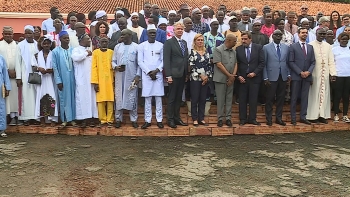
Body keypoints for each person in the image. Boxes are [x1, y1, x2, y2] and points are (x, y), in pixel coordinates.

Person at [306, 28, 336, 124]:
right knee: (314, 94)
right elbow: (308, 61)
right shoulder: (310, 45)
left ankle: (322, 115)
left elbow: (331, 60)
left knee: (324, 94)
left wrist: (332, 73)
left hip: (325, 74)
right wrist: (309, 75)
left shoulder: (328, 46)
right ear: (316, 34)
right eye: (320, 33)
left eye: (324, 34)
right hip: (314, 73)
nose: (322, 35)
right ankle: (313, 116)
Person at [112, 29, 141, 128]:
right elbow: (113, 61)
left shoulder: (136, 47)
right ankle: (118, 119)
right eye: (121, 35)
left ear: (130, 36)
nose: (122, 37)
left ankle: (134, 119)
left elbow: (139, 63)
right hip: (120, 76)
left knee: (132, 96)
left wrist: (138, 76)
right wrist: (116, 67)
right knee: (119, 96)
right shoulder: (117, 47)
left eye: (124, 35)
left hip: (131, 76)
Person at [138, 25, 165, 129]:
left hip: (158, 74)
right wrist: (149, 72)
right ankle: (147, 120)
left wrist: (157, 71)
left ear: (157, 34)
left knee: (158, 98)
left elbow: (163, 60)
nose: (152, 34)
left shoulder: (161, 45)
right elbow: (140, 61)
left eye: (154, 33)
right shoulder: (141, 46)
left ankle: (159, 120)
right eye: (151, 33)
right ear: (147, 34)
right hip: (147, 75)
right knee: (148, 98)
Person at [163, 22, 189, 128]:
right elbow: (166, 60)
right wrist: (168, 75)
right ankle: (170, 119)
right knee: (172, 98)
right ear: (173, 30)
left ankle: (177, 118)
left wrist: (186, 73)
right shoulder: (169, 43)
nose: (180, 31)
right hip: (173, 74)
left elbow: (185, 58)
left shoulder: (184, 43)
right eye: (178, 29)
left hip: (182, 74)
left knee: (179, 98)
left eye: (181, 29)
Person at [236, 31, 265, 126]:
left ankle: (252, 118)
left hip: (254, 78)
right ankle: (242, 119)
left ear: (250, 39)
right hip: (242, 78)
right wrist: (239, 75)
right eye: (242, 39)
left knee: (253, 100)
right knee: (242, 100)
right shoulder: (238, 49)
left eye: (245, 39)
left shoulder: (258, 48)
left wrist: (255, 73)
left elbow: (262, 63)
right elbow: (236, 64)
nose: (243, 41)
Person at [288, 27, 316, 125]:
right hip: (296, 76)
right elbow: (291, 62)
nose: (304, 34)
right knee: (294, 97)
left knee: (305, 97)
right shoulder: (293, 46)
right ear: (298, 34)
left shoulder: (310, 47)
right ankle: (293, 118)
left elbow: (313, 62)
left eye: (306, 33)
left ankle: (303, 117)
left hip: (307, 76)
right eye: (302, 33)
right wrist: (300, 72)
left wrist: (308, 72)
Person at [263, 30, 290, 126]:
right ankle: (269, 118)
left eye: (280, 35)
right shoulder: (266, 47)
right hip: (271, 76)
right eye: (276, 35)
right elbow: (264, 64)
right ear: (272, 36)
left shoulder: (286, 48)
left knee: (281, 98)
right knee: (270, 98)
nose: (278, 36)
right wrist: (265, 77)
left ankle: (279, 118)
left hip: (282, 76)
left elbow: (287, 62)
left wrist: (288, 74)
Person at [71, 34, 98, 127]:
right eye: (87, 39)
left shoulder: (91, 50)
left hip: (90, 78)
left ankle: (92, 118)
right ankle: (83, 119)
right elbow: (76, 58)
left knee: (91, 98)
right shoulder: (76, 50)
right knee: (82, 98)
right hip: (81, 79)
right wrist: (86, 54)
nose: (89, 41)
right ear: (81, 41)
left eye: (90, 39)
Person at [31, 35, 58, 126]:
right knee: (41, 98)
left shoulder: (54, 54)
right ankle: (42, 119)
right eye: (44, 43)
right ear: (41, 44)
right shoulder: (36, 55)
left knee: (51, 97)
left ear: (51, 44)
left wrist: (52, 70)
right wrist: (39, 69)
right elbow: (33, 67)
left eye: (48, 43)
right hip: (41, 80)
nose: (46, 45)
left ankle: (52, 119)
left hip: (51, 80)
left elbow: (57, 66)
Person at [52, 31, 77, 127]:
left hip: (73, 78)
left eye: (68, 38)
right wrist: (58, 80)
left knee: (73, 98)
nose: (67, 40)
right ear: (60, 39)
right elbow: (55, 67)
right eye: (65, 38)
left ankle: (73, 119)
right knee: (64, 99)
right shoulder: (55, 52)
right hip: (62, 79)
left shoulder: (73, 50)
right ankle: (65, 119)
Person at [212, 34, 237, 127]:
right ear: (229, 40)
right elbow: (219, 65)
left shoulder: (234, 52)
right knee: (221, 100)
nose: (235, 43)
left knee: (229, 99)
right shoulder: (218, 50)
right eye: (234, 41)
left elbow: (235, 64)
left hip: (231, 79)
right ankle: (220, 118)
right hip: (220, 79)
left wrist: (232, 76)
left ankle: (228, 118)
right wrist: (229, 75)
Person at [16, 25, 39, 125]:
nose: (28, 35)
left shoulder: (38, 44)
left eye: (30, 33)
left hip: (35, 74)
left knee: (35, 95)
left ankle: (36, 117)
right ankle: (26, 117)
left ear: (33, 34)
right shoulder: (20, 45)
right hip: (24, 74)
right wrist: (18, 77)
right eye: (26, 33)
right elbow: (18, 62)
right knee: (26, 95)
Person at [188, 34, 212, 126]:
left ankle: (201, 118)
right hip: (195, 79)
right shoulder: (192, 52)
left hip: (205, 79)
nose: (200, 41)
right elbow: (192, 66)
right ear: (195, 41)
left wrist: (206, 77)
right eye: (198, 40)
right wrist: (200, 75)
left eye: (202, 40)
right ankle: (194, 118)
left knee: (203, 99)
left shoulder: (206, 52)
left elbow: (209, 65)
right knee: (195, 99)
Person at [91, 36, 114, 127]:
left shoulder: (111, 52)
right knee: (100, 100)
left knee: (110, 100)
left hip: (110, 80)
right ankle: (102, 120)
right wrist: (95, 82)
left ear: (108, 43)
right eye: (102, 41)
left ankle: (110, 120)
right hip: (100, 80)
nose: (104, 43)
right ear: (99, 43)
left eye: (106, 41)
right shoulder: (95, 53)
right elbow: (94, 67)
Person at [0, 26, 20, 126]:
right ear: (2, 34)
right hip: (4, 76)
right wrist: (7, 71)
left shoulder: (17, 45)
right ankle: (9, 117)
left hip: (16, 75)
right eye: (6, 34)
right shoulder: (0, 45)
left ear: (13, 34)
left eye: (10, 34)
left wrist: (17, 71)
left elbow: (20, 60)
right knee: (7, 98)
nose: (8, 35)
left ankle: (17, 116)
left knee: (16, 97)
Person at [332, 33, 350, 122]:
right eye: (343, 39)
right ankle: (335, 114)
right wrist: (332, 74)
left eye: (346, 39)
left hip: (348, 76)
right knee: (337, 96)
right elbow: (332, 63)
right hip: (338, 76)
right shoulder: (334, 50)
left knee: (346, 96)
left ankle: (345, 115)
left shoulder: (349, 49)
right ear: (339, 40)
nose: (345, 41)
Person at [0, 54, 11, 137]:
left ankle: (2, 129)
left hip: (0, 85)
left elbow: (5, 73)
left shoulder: (1, 58)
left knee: (1, 107)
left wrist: (7, 87)